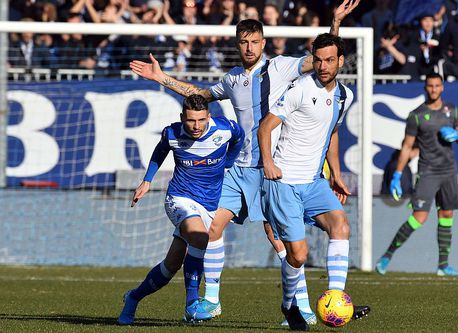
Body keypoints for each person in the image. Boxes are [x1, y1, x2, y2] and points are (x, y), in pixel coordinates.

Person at [128, 1, 365, 325]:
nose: (250, 47)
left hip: (274, 169)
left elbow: (323, 60)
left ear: (263, 43)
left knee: (284, 241)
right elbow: (199, 94)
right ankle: (211, 300)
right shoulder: (232, 79)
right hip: (239, 170)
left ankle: (303, 307)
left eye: (255, 41)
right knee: (212, 226)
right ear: (237, 44)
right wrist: (162, 78)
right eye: (244, 42)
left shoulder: (281, 68)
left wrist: (335, 22)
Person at [258, 33, 369, 331]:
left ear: (340, 62)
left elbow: (332, 132)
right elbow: (265, 127)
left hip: (315, 181)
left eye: (329, 60)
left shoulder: (346, 95)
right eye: (318, 59)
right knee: (299, 254)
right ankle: (288, 305)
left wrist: (336, 175)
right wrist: (268, 163)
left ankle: (335, 297)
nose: (322, 65)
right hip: (284, 183)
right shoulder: (299, 90)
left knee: (341, 226)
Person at [118, 94, 244, 324]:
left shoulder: (226, 129)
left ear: (209, 117)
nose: (196, 126)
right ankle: (192, 305)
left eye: (200, 120)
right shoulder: (172, 133)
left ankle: (133, 298)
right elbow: (160, 152)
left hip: (208, 204)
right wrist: (147, 180)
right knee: (199, 237)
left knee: (171, 266)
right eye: (190, 121)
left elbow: (239, 138)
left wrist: (228, 164)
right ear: (181, 118)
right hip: (179, 199)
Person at [375, 73, 458, 277]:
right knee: (419, 217)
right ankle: (386, 256)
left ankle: (443, 266)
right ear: (425, 88)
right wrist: (397, 175)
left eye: (437, 86)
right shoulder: (416, 115)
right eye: (430, 86)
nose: (433, 89)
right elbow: (407, 146)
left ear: (442, 88)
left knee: (446, 215)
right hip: (428, 171)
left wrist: (457, 136)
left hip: (449, 171)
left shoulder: (451, 110)